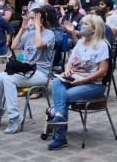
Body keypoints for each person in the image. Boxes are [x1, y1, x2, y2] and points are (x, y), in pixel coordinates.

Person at [47, 14, 110, 151]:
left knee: (64, 96)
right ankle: (59, 116)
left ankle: (59, 135)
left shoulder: (102, 45)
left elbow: (102, 72)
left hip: (93, 84)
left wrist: (82, 81)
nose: (82, 26)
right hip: (74, 78)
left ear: (94, 29)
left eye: (86, 24)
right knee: (57, 82)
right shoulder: (81, 42)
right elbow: (69, 62)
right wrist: (67, 72)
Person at [0, 5, 56, 134]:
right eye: (29, 18)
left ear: (40, 20)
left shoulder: (50, 34)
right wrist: (22, 28)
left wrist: (37, 27)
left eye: (33, 18)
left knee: (9, 79)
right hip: (25, 70)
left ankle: (14, 117)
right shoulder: (29, 33)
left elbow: (39, 45)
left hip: (40, 73)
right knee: (1, 77)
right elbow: (14, 46)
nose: (30, 20)